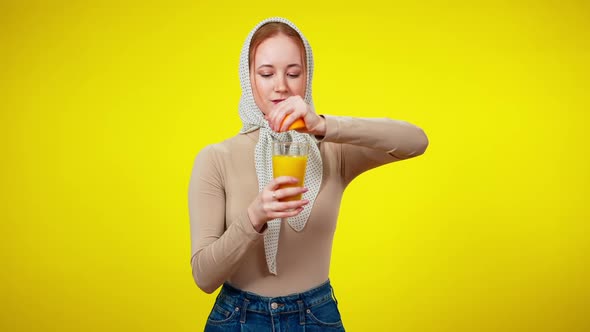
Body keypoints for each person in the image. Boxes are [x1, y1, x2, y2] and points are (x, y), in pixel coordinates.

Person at [188, 17, 428, 331]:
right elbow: (204, 278)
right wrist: (253, 217)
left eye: (293, 73)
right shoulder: (216, 159)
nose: (281, 86)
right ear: (248, 79)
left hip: (315, 317)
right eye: (266, 73)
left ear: (307, 77)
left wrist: (324, 126)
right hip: (237, 318)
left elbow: (415, 141)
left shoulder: (333, 151)